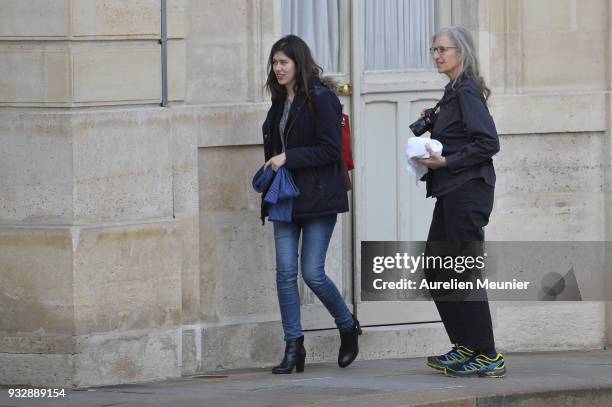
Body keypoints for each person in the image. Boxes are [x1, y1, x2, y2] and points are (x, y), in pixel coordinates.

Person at [261, 34, 361, 374]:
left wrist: (287, 157)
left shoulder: (321, 98)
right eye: (274, 63)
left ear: (298, 63)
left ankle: (347, 325)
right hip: (285, 197)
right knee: (285, 274)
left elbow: (330, 150)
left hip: (318, 197)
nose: (277, 69)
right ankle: (294, 347)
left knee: (312, 273)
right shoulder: (279, 101)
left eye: (283, 62)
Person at [415, 26, 506, 378]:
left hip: (469, 191)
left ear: (461, 53)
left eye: (443, 49)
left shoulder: (466, 90)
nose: (437, 55)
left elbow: (489, 143)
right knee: (437, 268)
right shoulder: (453, 92)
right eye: (433, 49)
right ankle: (465, 346)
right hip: (451, 191)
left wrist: (447, 161)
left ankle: (487, 354)